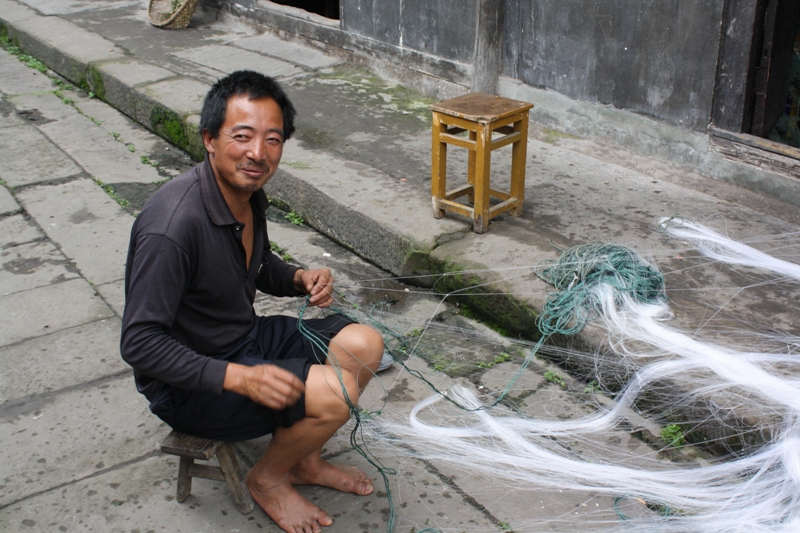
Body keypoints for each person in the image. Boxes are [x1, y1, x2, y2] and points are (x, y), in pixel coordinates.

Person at [120, 70, 385, 533]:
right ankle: (268, 479)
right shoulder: (172, 227)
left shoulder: (245, 193)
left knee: (363, 344)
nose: (258, 154)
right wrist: (240, 377)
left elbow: (257, 265)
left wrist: (300, 277)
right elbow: (140, 343)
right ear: (209, 138)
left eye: (273, 139)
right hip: (190, 384)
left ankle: (306, 460)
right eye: (242, 136)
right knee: (337, 394)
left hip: (242, 340)